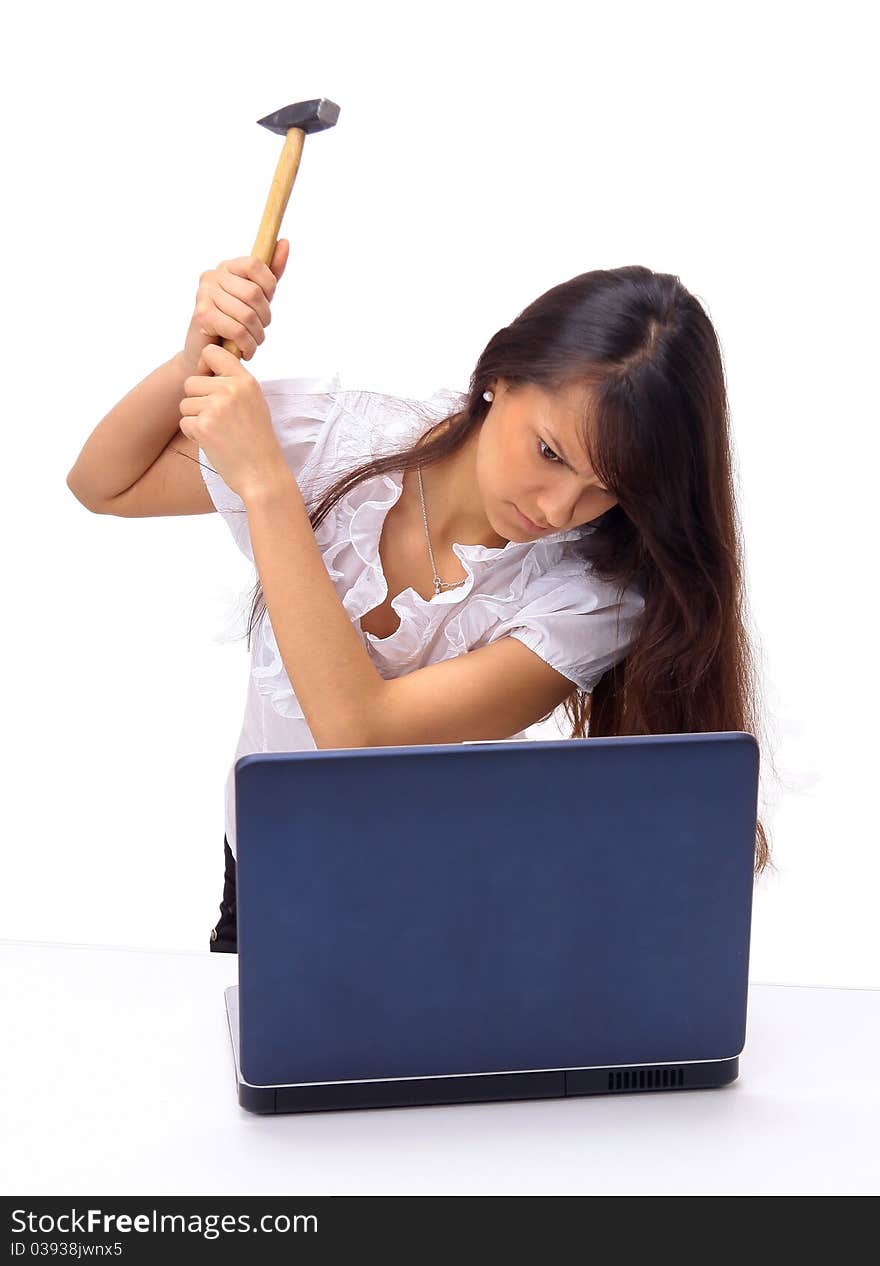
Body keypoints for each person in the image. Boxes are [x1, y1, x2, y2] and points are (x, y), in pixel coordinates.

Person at [66, 242, 776, 954]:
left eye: (606, 488)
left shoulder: (589, 597)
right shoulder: (340, 441)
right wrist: (193, 357)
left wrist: (266, 486)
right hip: (264, 873)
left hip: (425, 916)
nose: (559, 507)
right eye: (551, 453)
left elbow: (359, 732)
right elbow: (103, 484)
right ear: (501, 375)